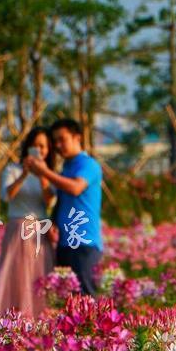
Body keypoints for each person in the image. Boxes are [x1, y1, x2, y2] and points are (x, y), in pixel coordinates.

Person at [25, 118, 103, 296]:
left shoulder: (88, 164)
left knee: (85, 298)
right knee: (67, 299)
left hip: (84, 243)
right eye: (55, 141)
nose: (58, 145)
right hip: (65, 242)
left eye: (62, 139)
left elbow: (75, 188)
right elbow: (62, 200)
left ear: (77, 137)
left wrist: (44, 172)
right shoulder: (66, 168)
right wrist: (53, 222)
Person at [0, 127, 57, 317]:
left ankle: (38, 322)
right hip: (18, 229)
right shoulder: (13, 169)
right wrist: (25, 174)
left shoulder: (49, 174)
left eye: (43, 146)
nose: (39, 150)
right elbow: (6, 195)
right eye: (35, 146)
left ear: (49, 150)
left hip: (40, 232)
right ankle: (13, 321)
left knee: (38, 277)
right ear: (27, 148)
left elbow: (50, 201)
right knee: (16, 277)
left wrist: (42, 174)